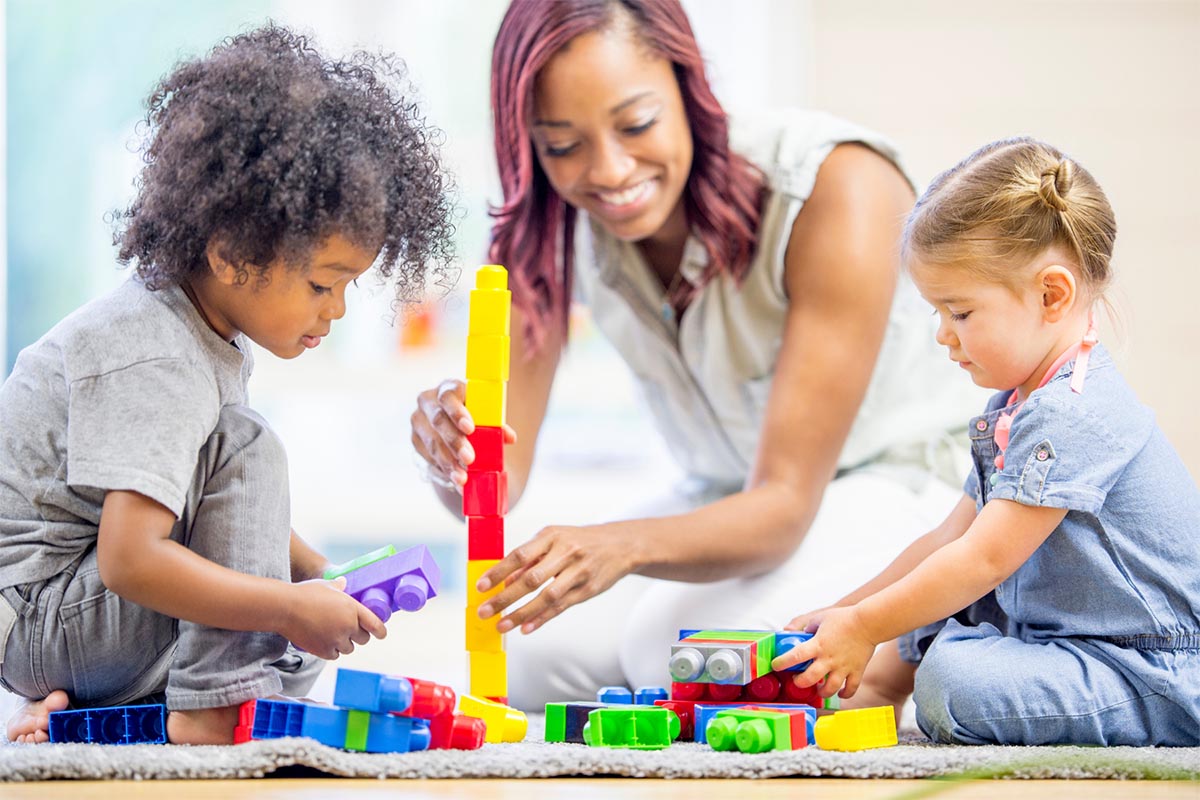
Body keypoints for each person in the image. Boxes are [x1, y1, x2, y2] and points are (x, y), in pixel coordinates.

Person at [411, 0, 980, 708]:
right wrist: (451, 453)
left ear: (689, 86)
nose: (609, 172)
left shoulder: (835, 184)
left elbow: (782, 507)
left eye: (636, 124)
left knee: (672, 655)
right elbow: (496, 488)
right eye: (562, 145)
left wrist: (620, 545)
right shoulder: (553, 228)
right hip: (726, 501)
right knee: (531, 652)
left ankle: (937, 640)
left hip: (908, 492)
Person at [0, 24, 455, 744]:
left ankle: (136, 719)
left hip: (80, 614)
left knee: (289, 615)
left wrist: (313, 575)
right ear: (233, 255)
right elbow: (130, 558)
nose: (335, 310)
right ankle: (210, 714)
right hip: (44, 618)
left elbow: (215, 508)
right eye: (322, 284)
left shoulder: (199, 329)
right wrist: (283, 604)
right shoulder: (154, 354)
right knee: (251, 466)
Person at [772, 137, 1200, 746]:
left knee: (953, 681)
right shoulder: (1017, 405)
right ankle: (879, 689)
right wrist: (846, 613)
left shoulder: (1075, 415)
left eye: (961, 313)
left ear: (1052, 295)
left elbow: (983, 560)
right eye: (937, 313)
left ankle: (915, 679)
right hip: (1063, 638)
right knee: (933, 592)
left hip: (1148, 668)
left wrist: (868, 626)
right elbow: (950, 538)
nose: (944, 336)